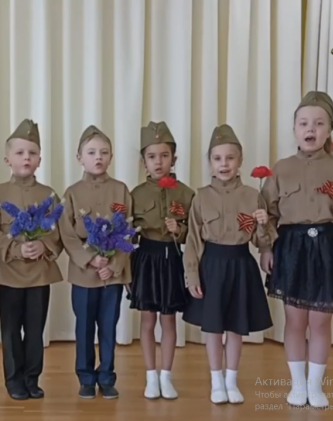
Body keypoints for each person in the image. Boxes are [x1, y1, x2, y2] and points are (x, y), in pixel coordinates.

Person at [260, 91, 333, 408]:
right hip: (291, 247)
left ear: (329, 129)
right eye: (304, 123)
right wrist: (266, 248)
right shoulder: (281, 169)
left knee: (321, 322)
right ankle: (297, 385)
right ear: (294, 129)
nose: (311, 129)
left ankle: (316, 385)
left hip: (328, 247)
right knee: (295, 320)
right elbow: (267, 213)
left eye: (319, 123)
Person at [182, 124, 275, 404]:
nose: (224, 164)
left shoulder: (252, 195)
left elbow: (260, 241)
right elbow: (193, 240)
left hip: (240, 265)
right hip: (211, 266)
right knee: (213, 327)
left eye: (230, 158)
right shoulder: (201, 196)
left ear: (240, 161)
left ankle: (232, 380)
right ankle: (216, 381)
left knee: (236, 325)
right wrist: (192, 276)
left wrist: (263, 224)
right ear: (210, 162)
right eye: (217, 158)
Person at [0, 119, 64, 400]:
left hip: (39, 275)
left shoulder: (49, 195)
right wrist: (16, 249)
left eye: (32, 153)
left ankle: (32, 378)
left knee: (34, 330)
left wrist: (43, 245)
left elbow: (59, 232)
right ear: (7, 159)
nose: (26, 158)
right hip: (9, 274)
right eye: (19, 153)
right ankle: (13, 380)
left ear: (40, 159)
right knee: (9, 331)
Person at [58, 125, 133, 400]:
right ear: (79, 157)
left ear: (111, 157)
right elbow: (67, 233)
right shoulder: (72, 192)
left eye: (104, 152)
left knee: (109, 326)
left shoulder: (121, 190)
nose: (98, 157)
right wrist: (89, 259)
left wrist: (113, 265)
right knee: (85, 326)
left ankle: (107, 376)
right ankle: (86, 378)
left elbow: (129, 229)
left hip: (112, 274)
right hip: (84, 273)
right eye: (91, 152)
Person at [128, 121, 194, 400]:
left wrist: (179, 230)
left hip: (171, 258)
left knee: (169, 321)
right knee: (147, 320)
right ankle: (150, 376)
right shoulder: (135, 194)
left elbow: (195, 233)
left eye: (164, 155)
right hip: (146, 258)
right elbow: (127, 235)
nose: (158, 162)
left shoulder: (186, 194)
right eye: (152, 156)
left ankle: (166, 375)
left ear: (174, 158)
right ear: (143, 162)